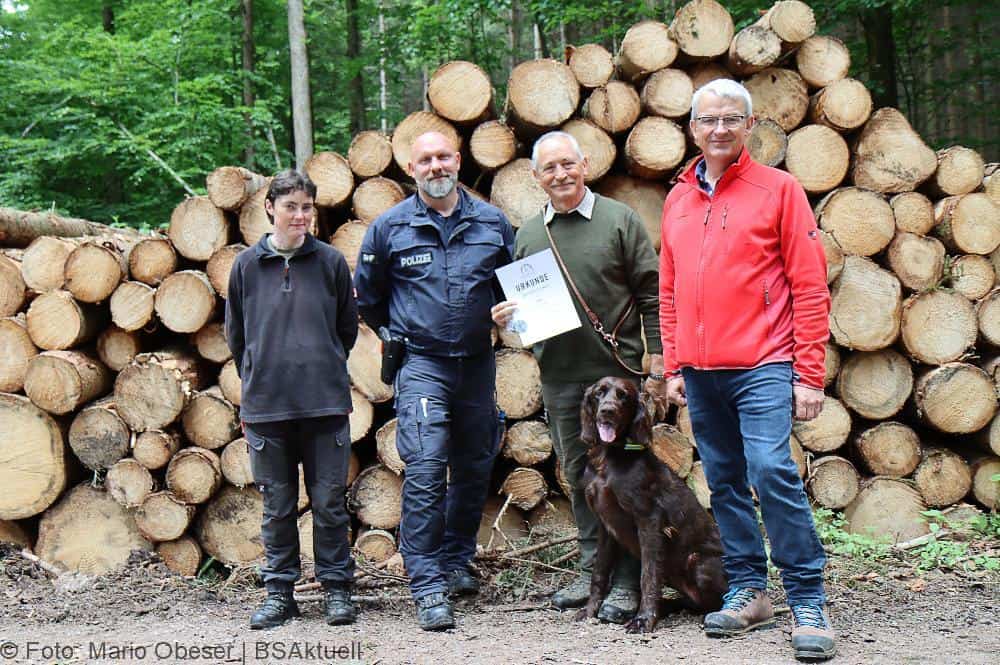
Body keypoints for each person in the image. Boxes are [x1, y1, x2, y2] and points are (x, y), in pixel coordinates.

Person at [657, 78, 836, 661]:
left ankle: (807, 597)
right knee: (726, 480)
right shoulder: (679, 198)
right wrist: (675, 365)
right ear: (692, 128)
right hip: (702, 371)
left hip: (763, 361)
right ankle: (749, 590)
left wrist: (809, 374)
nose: (719, 129)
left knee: (770, 468)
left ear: (750, 126)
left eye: (731, 119)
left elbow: (809, 287)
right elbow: (669, 290)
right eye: (708, 120)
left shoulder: (779, 190)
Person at [490, 131, 664, 624]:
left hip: (619, 380)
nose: (561, 175)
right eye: (549, 169)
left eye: (568, 164)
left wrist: (659, 360)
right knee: (579, 474)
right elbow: (525, 311)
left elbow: (651, 293)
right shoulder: (527, 234)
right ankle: (595, 570)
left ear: (584, 164)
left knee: (627, 478)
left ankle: (629, 580)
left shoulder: (619, 219)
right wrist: (508, 319)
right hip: (563, 380)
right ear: (535, 177)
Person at [353, 131, 515, 631]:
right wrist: (398, 334)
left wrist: (512, 314)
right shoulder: (390, 228)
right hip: (422, 364)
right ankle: (425, 583)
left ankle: (455, 560)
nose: (436, 166)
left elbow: (517, 282)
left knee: (472, 464)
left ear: (459, 161)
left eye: (444, 156)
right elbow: (368, 297)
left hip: (476, 362)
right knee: (425, 466)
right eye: (425, 160)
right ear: (410, 168)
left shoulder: (492, 222)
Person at [225, 170, 359, 629]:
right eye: (291, 207)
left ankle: (338, 590)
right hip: (267, 409)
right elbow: (236, 337)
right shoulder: (246, 266)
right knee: (276, 507)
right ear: (270, 208)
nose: (300, 216)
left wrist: (317, 363)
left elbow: (346, 329)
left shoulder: (331, 263)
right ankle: (280, 593)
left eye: (307, 207)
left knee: (329, 503)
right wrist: (264, 374)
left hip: (324, 406)